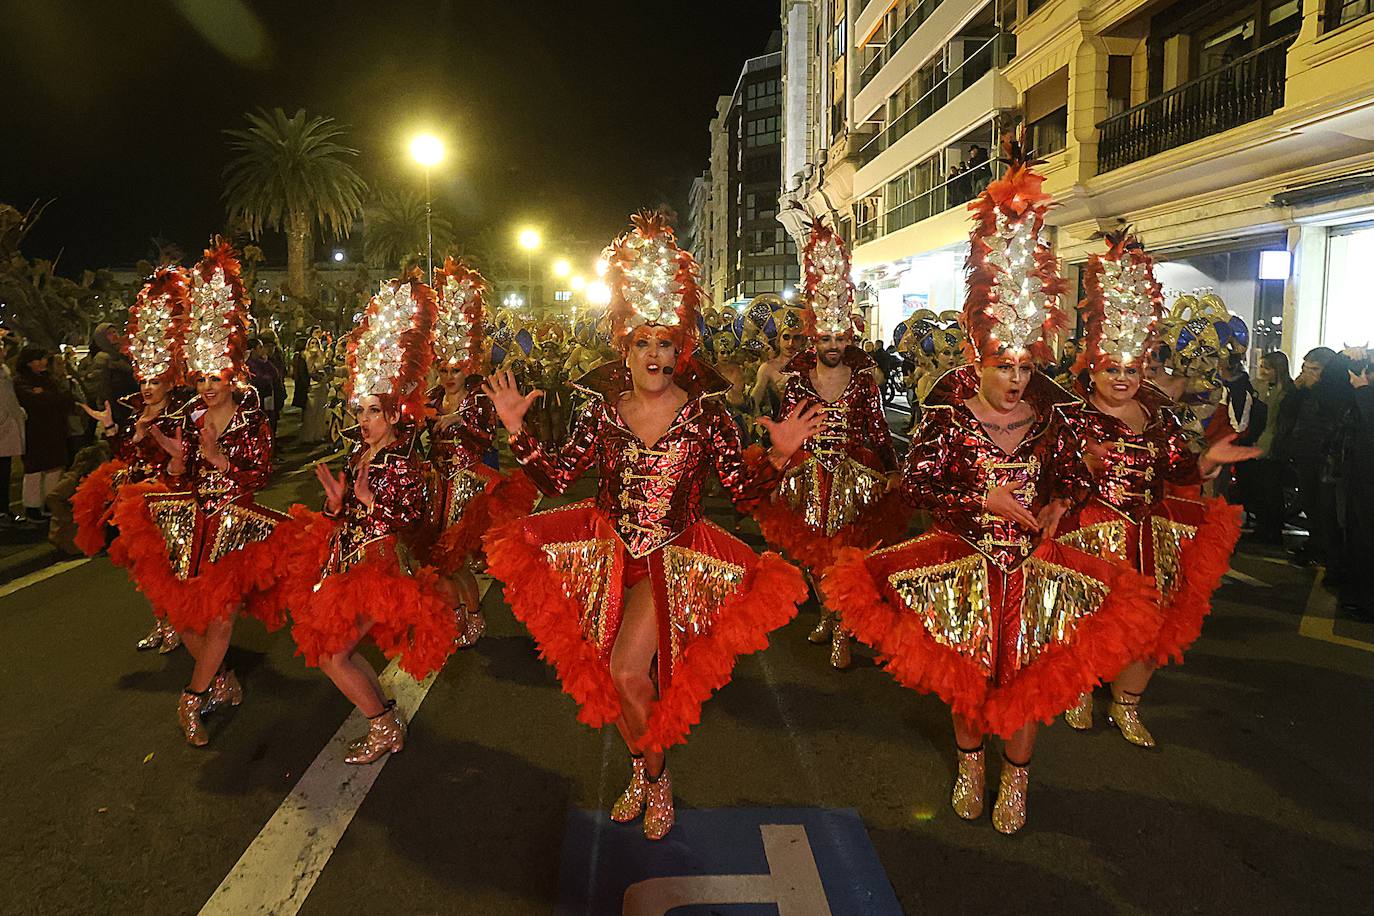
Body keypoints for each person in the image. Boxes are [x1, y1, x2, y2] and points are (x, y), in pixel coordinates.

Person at [823, 144, 1157, 835]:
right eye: (1004, 364)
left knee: (1030, 685)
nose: (1014, 378)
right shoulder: (947, 414)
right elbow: (919, 483)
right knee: (967, 678)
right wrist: (982, 502)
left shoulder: (1055, 414)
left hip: (1036, 568)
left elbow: (1070, 477)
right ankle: (972, 762)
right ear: (979, 356)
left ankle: (1018, 782)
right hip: (967, 564)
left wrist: (1060, 502)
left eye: (1025, 364)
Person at [482, 212, 824, 841]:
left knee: (625, 671)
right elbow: (560, 480)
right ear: (625, 347)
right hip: (606, 552)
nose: (656, 355)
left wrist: (779, 455)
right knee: (606, 673)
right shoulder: (602, 412)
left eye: (667, 343)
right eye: (644, 342)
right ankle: (644, 768)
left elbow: (744, 495)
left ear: (680, 349)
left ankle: (657, 779)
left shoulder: (707, 416)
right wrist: (515, 431)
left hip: (677, 554)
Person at [1056, 233, 1258, 747]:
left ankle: (1127, 704)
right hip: (1086, 536)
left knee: (1153, 620)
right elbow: (1043, 473)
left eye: (1131, 368)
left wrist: (1204, 460)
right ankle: (1079, 688)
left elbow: (1177, 467)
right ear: (1094, 366)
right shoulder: (1067, 414)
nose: (1122, 379)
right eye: (1111, 368)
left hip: (1148, 535)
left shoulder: (1157, 413)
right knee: (1084, 617)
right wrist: (1078, 467)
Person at [270, 276, 457, 763]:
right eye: (362, 410)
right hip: (349, 560)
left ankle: (382, 726)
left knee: (333, 655)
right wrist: (338, 504)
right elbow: (351, 508)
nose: (366, 419)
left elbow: (413, 517)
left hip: (380, 569)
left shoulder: (400, 459)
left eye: (375, 411)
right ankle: (386, 721)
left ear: (394, 415)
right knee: (339, 653)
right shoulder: (361, 451)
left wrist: (372, 504)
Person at [112, 241, 286, 747]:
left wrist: (218, 459)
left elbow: (259, 474)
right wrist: (174, 452)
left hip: (234, 521)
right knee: (186, 615)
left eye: (217, 378)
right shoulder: (188, 416)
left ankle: (192, 698)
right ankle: (222, 681)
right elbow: (182, 470)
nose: (208, 387)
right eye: (202, 378)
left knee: (223, 616)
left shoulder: (252, 419)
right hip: (193, 520)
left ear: (232, 377)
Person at [751, 221, 902, 669]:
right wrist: (778, 467)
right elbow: (786, 425)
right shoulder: (796, 380)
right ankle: (826, 613)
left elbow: (876, 427)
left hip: (855, 481)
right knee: (814, 556)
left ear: (849, 339)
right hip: (808, 478)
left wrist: (892, 469)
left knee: (847, 558)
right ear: (814, 339)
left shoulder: (863, 380)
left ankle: (842, 626)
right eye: (825, 338)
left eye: (840, 338)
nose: (833, 345)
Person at [72, 266, 193, 653]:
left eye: (155, 382)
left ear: (169, 382)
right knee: (143, 567)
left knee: (168, 568)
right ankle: (162, 621)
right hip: (136, 501)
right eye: (144, 382)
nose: (148, 387)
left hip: (170, 499)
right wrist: (111, 429)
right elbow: (125, 455)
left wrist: (156, 439)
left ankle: (178, 625)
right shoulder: (136, 412)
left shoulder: (179, 414)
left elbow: (184, 456)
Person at [422, 259, 537, 648]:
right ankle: (457, 613)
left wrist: (458, 421)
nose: (448, 375)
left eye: (454, 368)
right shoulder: (433, 397)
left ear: (465, 368)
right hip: (436, 487)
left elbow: (485, 434)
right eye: (441, 368)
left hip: (468, 486)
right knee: (435, 560)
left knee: (452, 558)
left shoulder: (476, 396)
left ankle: (471, 614)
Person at [1279, 346, 1353, 569]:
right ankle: (1315, 543)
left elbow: (1331, 417)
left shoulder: (1336, 392)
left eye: (1314, 369)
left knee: (1325, 508)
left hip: (1324, 460)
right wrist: (1296, 389)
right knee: (1310, 503)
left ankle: (1326, 551)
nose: (1307, 373)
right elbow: (1287, 411)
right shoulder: (1304, 392)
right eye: (1305, 368)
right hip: (1305, 454)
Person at [14, 346, 75, 522]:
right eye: (37, 359)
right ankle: (32, 507)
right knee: (35, 469)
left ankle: (50, 503)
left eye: (43, 359)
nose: (42, 363)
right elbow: (34, 402)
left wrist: (46, 395)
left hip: (54, 430)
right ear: (27, 362)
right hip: (35, 430)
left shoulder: (49, 379)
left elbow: (65, 399)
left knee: (54, 468)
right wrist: (48, 397)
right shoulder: (21, 381)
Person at [1245, 350, 1296, 543]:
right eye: (1261, 366)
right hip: (1258, 442)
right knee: (1260, 488)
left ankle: (1273, 529)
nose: (1263, 371)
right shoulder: (1257, 386)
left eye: (1267, 367)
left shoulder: (1287, 391)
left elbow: (1280, 420)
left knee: (1272, 489)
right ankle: (1263, 526)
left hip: (1274, 445)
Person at [80, 322, 138, 425]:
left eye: (115, 332)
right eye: (109, 334)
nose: (114, 335)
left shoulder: (124, 354)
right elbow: (102, 388)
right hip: (117, 408)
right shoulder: (102, 359)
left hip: (131, 404)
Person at [0, 330, 26, 526]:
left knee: (5, 471)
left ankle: (4, 509)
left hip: (7, 425)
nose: (3, 350)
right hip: (3, 425)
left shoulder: (4, 370)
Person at [246, 336, 283, 435]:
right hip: (259, 398)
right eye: (260, 347)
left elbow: (275, 374)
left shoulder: (263, 361)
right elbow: (260, 379)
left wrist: (266, 362)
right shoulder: (249, 364)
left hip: (268, 396)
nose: (263, 350)